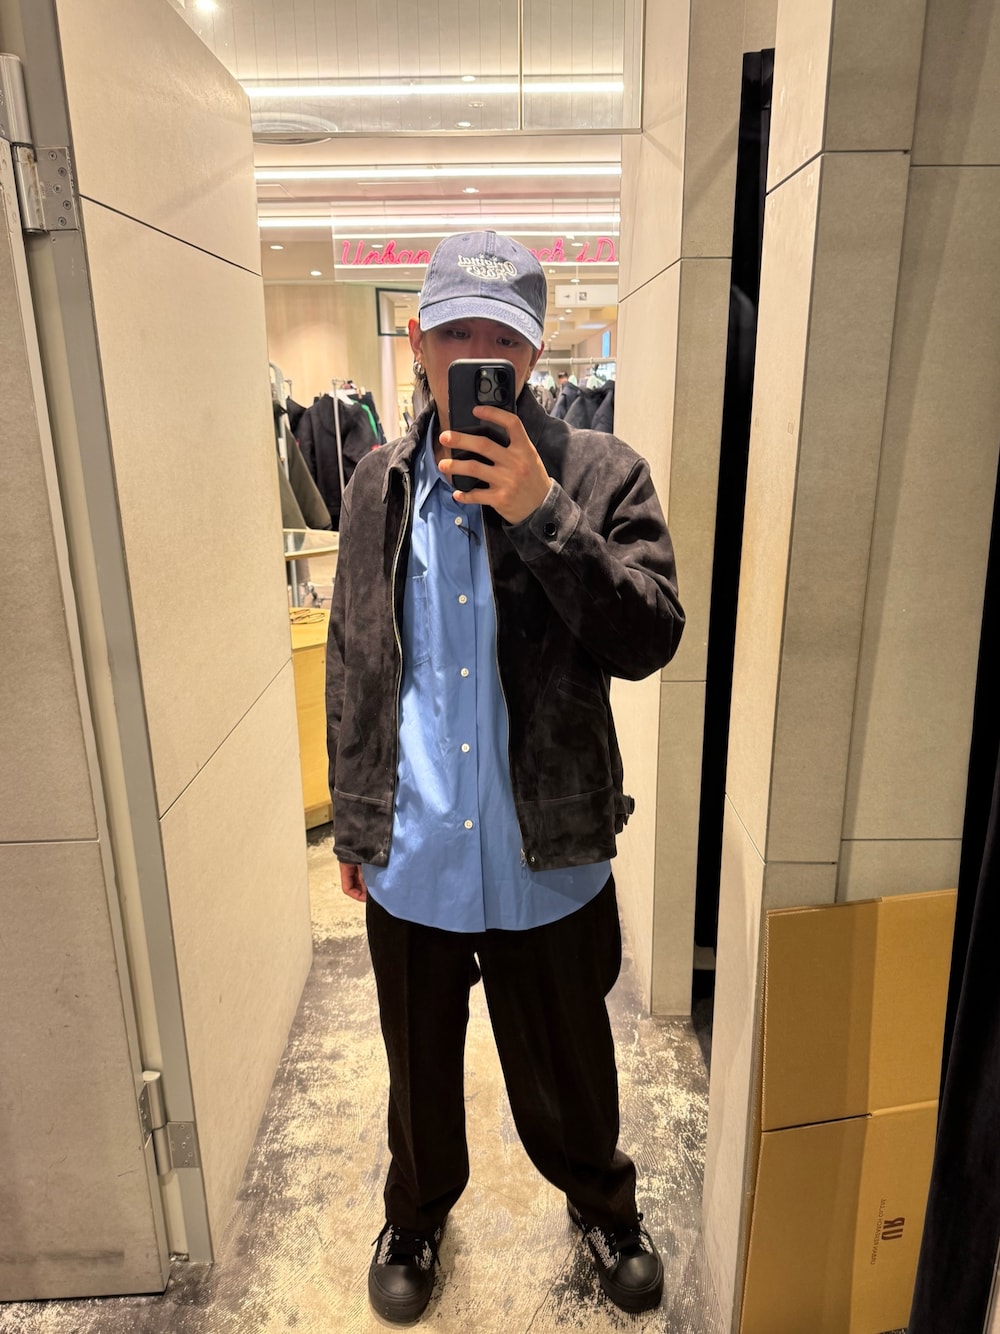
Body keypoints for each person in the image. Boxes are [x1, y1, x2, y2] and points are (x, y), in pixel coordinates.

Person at [325, 230, 684, 1325]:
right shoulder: (377, 485)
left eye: (503, 338)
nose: (476, 354)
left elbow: (650, 635)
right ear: (419, 341)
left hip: (550, 849)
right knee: (418, 1072)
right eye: (456, 333)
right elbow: (354, 656)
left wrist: (542, 514)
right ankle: (415, 1215)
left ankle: (603, 1204)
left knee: (573, 1066)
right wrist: (357, 822)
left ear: (532, 354)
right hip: (418, 847)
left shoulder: (602, 472)